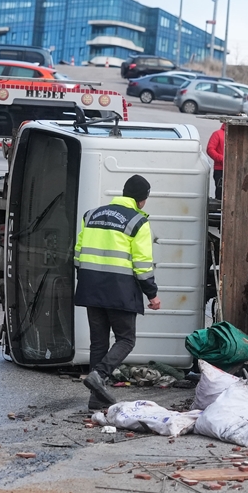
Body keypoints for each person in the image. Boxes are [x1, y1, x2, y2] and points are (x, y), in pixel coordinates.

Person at [73, 174, 160, 409]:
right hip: (120, 290)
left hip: (91, 287)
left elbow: (78, 254)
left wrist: (87, 279)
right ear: (142, 200)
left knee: (98, 343)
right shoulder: (138, 222)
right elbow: (142, 264)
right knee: (126, 339)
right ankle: (99, 375)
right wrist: (152, 294)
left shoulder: (91, 215)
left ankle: (96, 400)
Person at [206, 125, 225, 202]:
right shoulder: (217, 134)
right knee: (220, 193)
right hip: (220, 169)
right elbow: (210, 149)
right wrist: (222, 159)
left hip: (235, 169)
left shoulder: (237, 134)